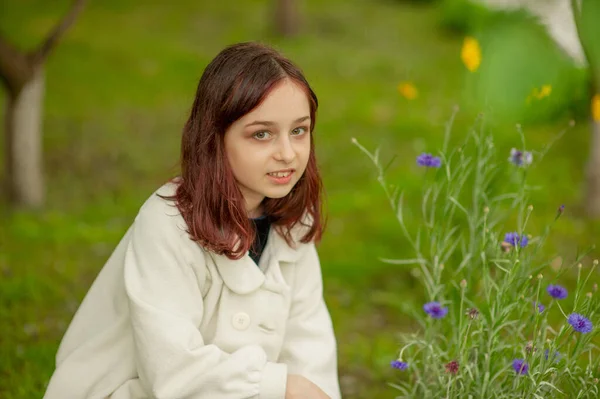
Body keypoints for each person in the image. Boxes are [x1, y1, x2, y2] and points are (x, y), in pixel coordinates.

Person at [43, 42, 341, 399]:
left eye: (299, 130)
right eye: (261, 134)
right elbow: (171, 372)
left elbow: (310, 349)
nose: (288, 153)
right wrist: (280, 386)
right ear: (215, 138)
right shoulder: (168, 223)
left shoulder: (293, 223)